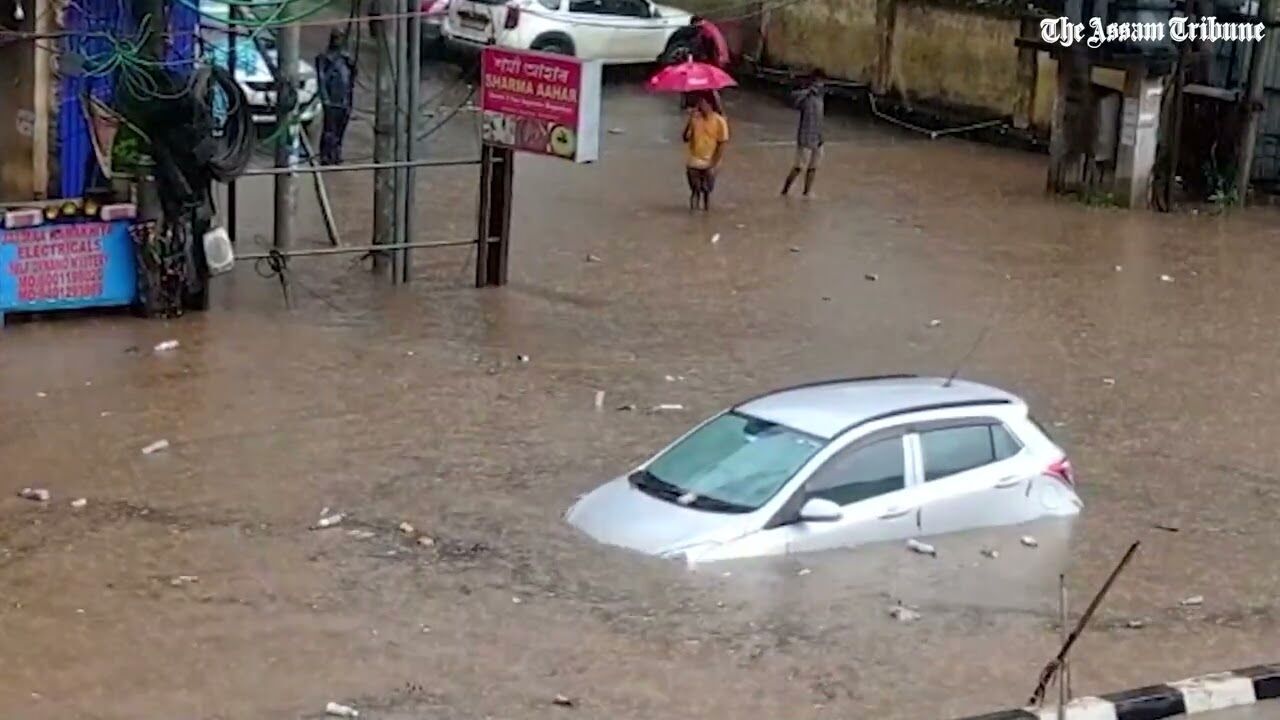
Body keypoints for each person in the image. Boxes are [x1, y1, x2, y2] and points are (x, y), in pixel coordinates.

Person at [781, 69, 826, 198]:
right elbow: (792, 101)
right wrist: (807, 92)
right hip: (805, 138)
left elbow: (820, 118)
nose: (820, 84)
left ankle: (807, 192)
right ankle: (785, 191)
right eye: (818, 81)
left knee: (813, 167)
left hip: (818, 138)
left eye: (822, 82)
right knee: (798, 167)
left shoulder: (820, 97)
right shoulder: (806, 97)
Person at [315, 29, 356, 166]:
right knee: (329, 130)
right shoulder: (324, 58)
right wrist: (325, 98)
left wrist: (352, 64)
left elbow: (352, 80)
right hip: (331, 100)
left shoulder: (345, 59)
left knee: (340, 129)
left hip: (344, 100)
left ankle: (336, 154)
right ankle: (325, 155)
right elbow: (321, 79)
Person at [682, 92, 729, 211]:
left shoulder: (719, 121)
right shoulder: (695, 119)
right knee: (695, 190)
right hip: (694, 161)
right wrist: (690, 122)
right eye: (700, 102)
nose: (700, 105)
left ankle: (705, 214)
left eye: (703, 102)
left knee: (707, 192)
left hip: (710, 161)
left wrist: (715, 163)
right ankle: (694, 215)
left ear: (710, 104)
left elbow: (722, 144)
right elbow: (685, 138)